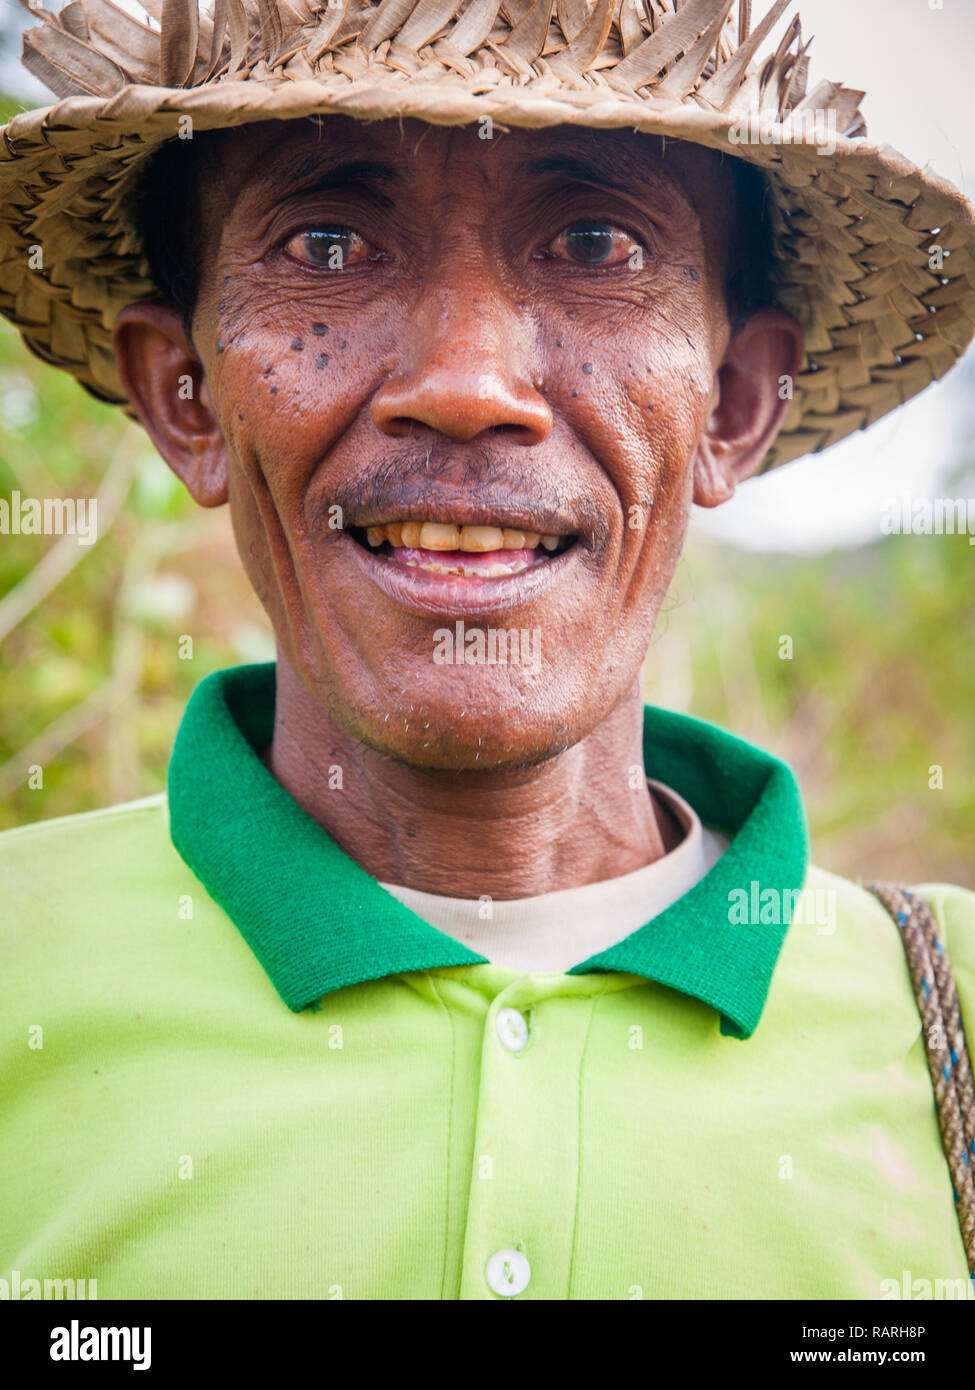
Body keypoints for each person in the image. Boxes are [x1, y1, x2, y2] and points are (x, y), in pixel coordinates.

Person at [1, 0, 973, 1300]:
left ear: (736, 403)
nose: (466, 381)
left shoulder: (945, 1021)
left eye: (594, 241)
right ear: (186, 396)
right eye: (330, 242)